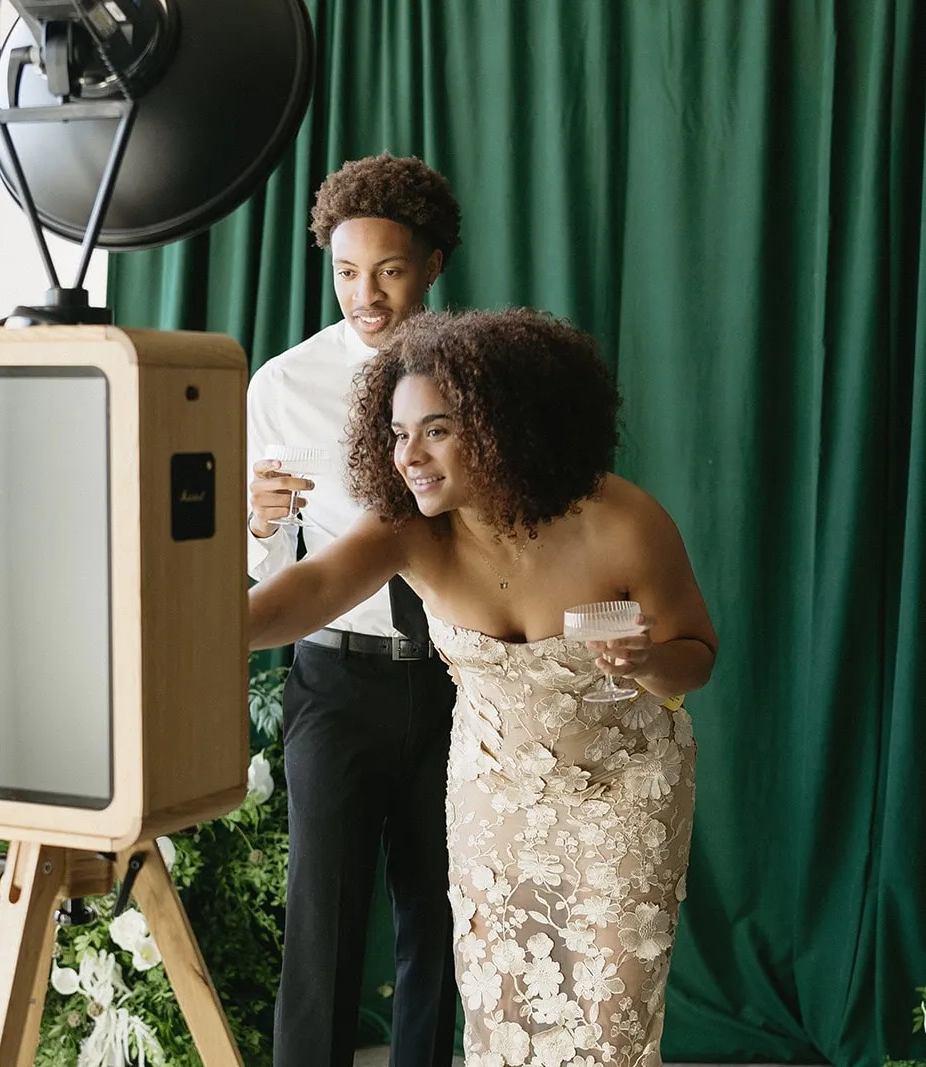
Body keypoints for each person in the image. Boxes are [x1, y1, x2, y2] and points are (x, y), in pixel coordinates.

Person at [250, 307, 719, 1067]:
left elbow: (695, 657)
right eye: (397, 433)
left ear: (505, 426)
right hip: (493, 800)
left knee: (612, 1024)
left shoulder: (620, 520)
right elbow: (305, 593)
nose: (409, 456)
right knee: (502, 1020)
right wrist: (187, 630)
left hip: (623, 792)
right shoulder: (408, 529)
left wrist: (643, 662)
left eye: (435, 430)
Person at [246, 154, 462, 1067]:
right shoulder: (283, 384)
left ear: (432, 265)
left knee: (442, 919)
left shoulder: (478, 376)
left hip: (458, 680)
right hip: (335, 679)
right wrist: (258, 524)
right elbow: (263, 566)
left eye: (389, 270)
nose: (364, 296)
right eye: (345, 271)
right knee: (322, 923)